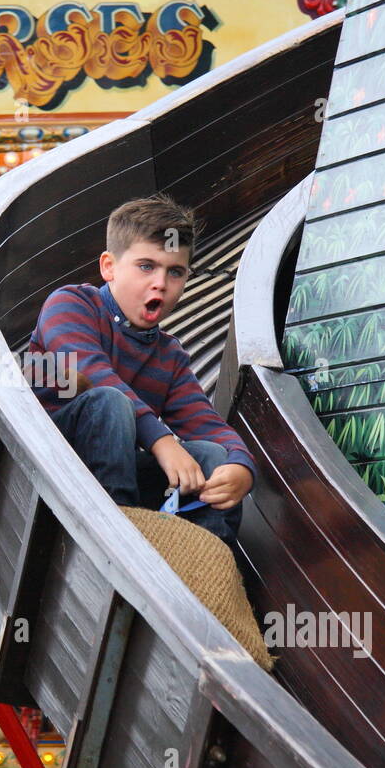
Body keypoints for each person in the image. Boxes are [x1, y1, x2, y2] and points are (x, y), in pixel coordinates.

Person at [28, 193, 256, 554]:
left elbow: (205, 423)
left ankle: (204, 571)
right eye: (146, 266)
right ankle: (121, 543)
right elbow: (90, 374)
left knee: (212, 456)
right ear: (109, 267)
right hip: (54, 469)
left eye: (175, 271)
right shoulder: (69, 304)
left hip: (116, 471)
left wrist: (240, 467)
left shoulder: (170, 355)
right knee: (109, 402)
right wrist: (161, 441)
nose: (161, 283)